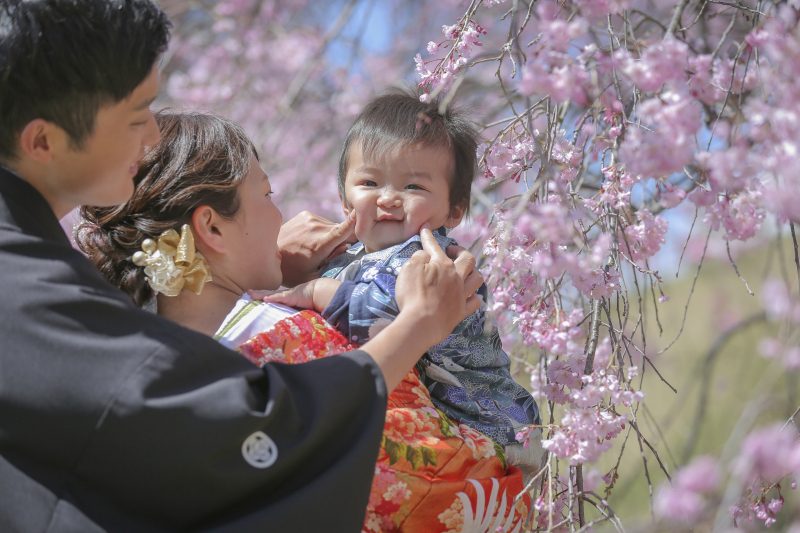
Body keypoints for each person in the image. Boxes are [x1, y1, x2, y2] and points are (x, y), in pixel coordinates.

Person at [0, 2, 481, 531]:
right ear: (43, 141)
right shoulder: (21, 281)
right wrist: (417, 325)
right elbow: (228, 425)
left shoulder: (43, 272)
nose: (150, 138)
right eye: (138, 116)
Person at [80, 110, 534, 532]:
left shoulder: (139, 372)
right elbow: (437, 483)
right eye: (266, 194)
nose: (285, 216)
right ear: (212, 228)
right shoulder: (298, 338)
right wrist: (420, 320)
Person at [265, 91, 544, 483]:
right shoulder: (350, 258)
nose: (389, 199)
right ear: (346, 200)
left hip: (489, 430)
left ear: (454, 210)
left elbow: (383, 312)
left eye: (414, 187)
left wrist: (312, 291)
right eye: (369, 182)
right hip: (443, 432)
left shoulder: (432, 260)